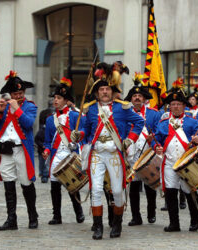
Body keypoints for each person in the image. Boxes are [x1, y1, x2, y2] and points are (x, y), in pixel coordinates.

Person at [71, 62, 144, 240]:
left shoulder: (122, 107)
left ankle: (117, 224)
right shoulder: (90, 109)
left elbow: (139, 122)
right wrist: (78, 135)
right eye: (101, 89)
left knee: (117, 191)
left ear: (112, 91)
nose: (104, 92)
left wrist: (129, 139)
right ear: (96, 93)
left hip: (114, 153)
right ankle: (98, 227)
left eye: (107, 89)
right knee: (96, 189)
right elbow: (86, 131)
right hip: (97, 153)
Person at [0, 71, 38, 230]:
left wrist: (17, 109)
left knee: (26, 182)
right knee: (8, 183)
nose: (18, 96)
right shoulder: (2, 105)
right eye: (15, 93)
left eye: (20, 93)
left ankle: (32, 215)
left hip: (21, 150)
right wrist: (0, 111)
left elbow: (28, 123)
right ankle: (12, 219)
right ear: (10, 93)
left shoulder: (29, 106)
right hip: (6, 150)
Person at [152, 82, 198, 232]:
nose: (175, 107)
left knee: (189, 191)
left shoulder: (192, 121)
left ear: (183, 106)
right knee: (171, 192)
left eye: (178, 104)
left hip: (187, 163)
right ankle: (174, 223)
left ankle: (195, 220)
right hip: (169, 162)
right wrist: (157, 147)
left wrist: (197, 139)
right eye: (172, 104)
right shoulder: (163, 123)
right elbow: (157, 140)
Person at [42, 77, 85, 225]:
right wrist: (46, 150)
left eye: (59, 98)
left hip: (70, 154)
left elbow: (84, 130)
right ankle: (57, 215)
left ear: (66, 101)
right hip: (56, 156)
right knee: (54, 187)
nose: (55, 100)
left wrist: (78, 136)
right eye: (55, 97)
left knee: (72, 186)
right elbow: (48, 141)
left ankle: (78, 212)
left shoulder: (75, 116)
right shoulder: (50, 120)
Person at [124, 73, 160, 226]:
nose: (137, 98)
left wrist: (155, 140)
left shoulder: (154, 114)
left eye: (139, 96)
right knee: (134, 188)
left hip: (148, 154)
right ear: (131, 99)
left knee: (150, 185)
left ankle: (151, 213)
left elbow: (159, 132)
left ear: (145, 99)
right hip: (131, 154)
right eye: (134, 96)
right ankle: (135, 216)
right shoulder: (125, 114)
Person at [34, 99, 53, 183]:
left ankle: (45, 174)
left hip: (47, 138)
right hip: (43, 138)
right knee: (42, 160)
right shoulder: (45, 113)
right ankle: (43, 173)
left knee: (45, 161)